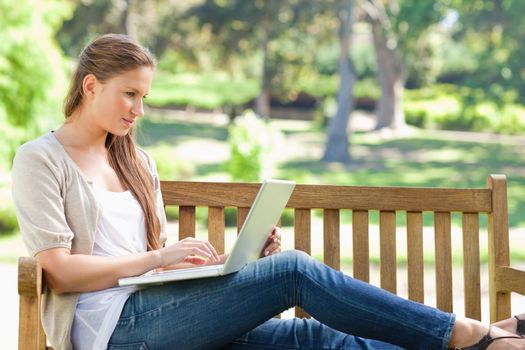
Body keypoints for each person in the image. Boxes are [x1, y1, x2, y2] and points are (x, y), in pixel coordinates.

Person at [11, 33, 525, 350]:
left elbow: (146, 265)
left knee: (314, 339)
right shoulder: (41, 159)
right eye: (130, 94)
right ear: (90, 85)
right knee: (295, 270)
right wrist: (157, 259)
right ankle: (470, 334)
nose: (138, 110)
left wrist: (235, 260)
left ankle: (479, 345)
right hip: (114, 333)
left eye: (144, 97)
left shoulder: (136, 161)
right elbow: (59, 268)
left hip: (164, 315)